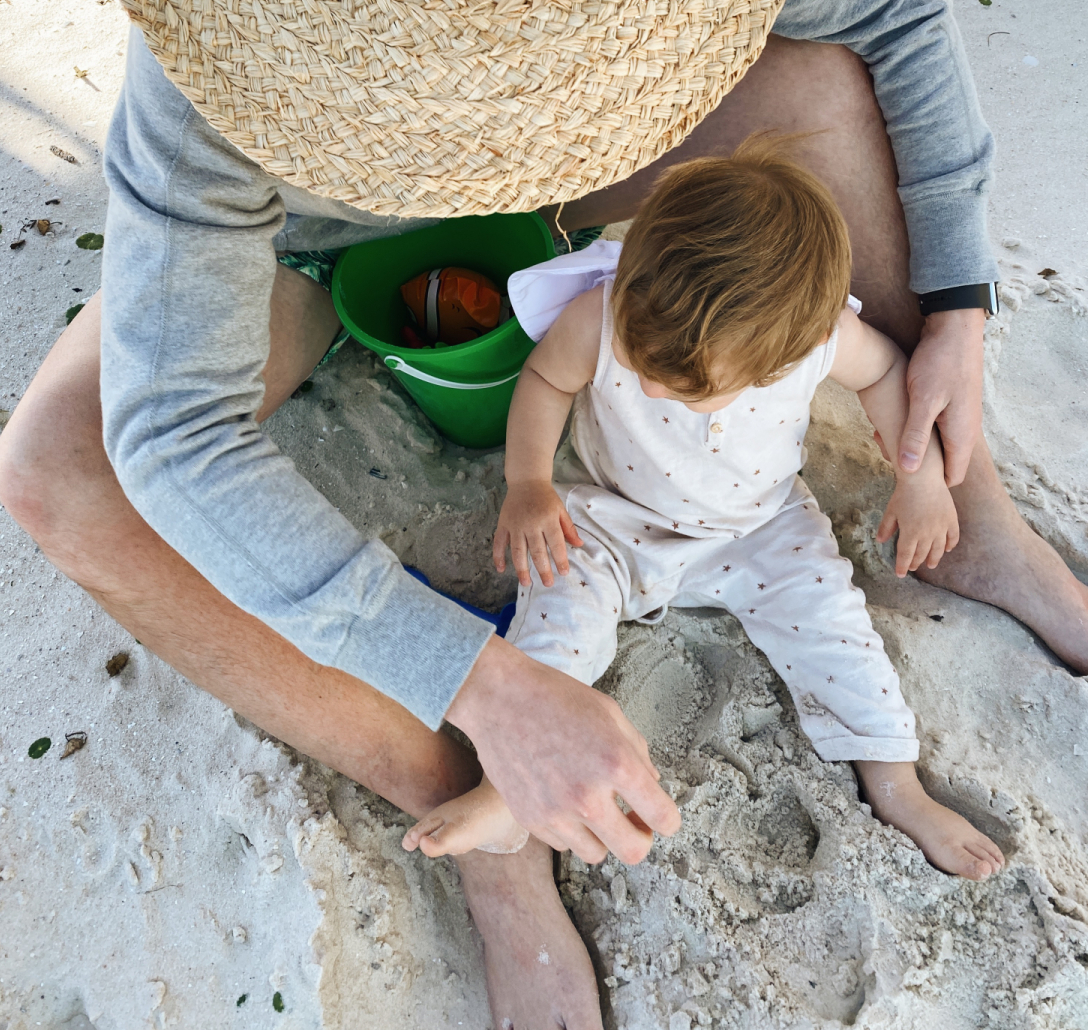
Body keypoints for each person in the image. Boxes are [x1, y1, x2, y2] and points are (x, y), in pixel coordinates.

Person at [0, 0, 1086, 1030]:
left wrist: (950, 315)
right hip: (324, 252)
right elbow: (168, 432)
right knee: (60, 469)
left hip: (598, 179)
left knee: (817, 97)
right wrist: (484, 682)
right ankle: (476, 812)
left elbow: (893, 18)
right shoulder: (218, 12)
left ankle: (984, 526)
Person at [402, 141, 1006, 880]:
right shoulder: (607, 310)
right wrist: (528, 483)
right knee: (558, 611)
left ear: (783, 354)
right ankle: (503, 792)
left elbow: (882, 371)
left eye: (681, 384)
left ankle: (896, 785)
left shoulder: (815, 339)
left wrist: (915, 479)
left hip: (758, 524)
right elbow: (545, 382)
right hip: (610, 518)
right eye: (640, 359)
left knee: (835, 627)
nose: (649, 387)